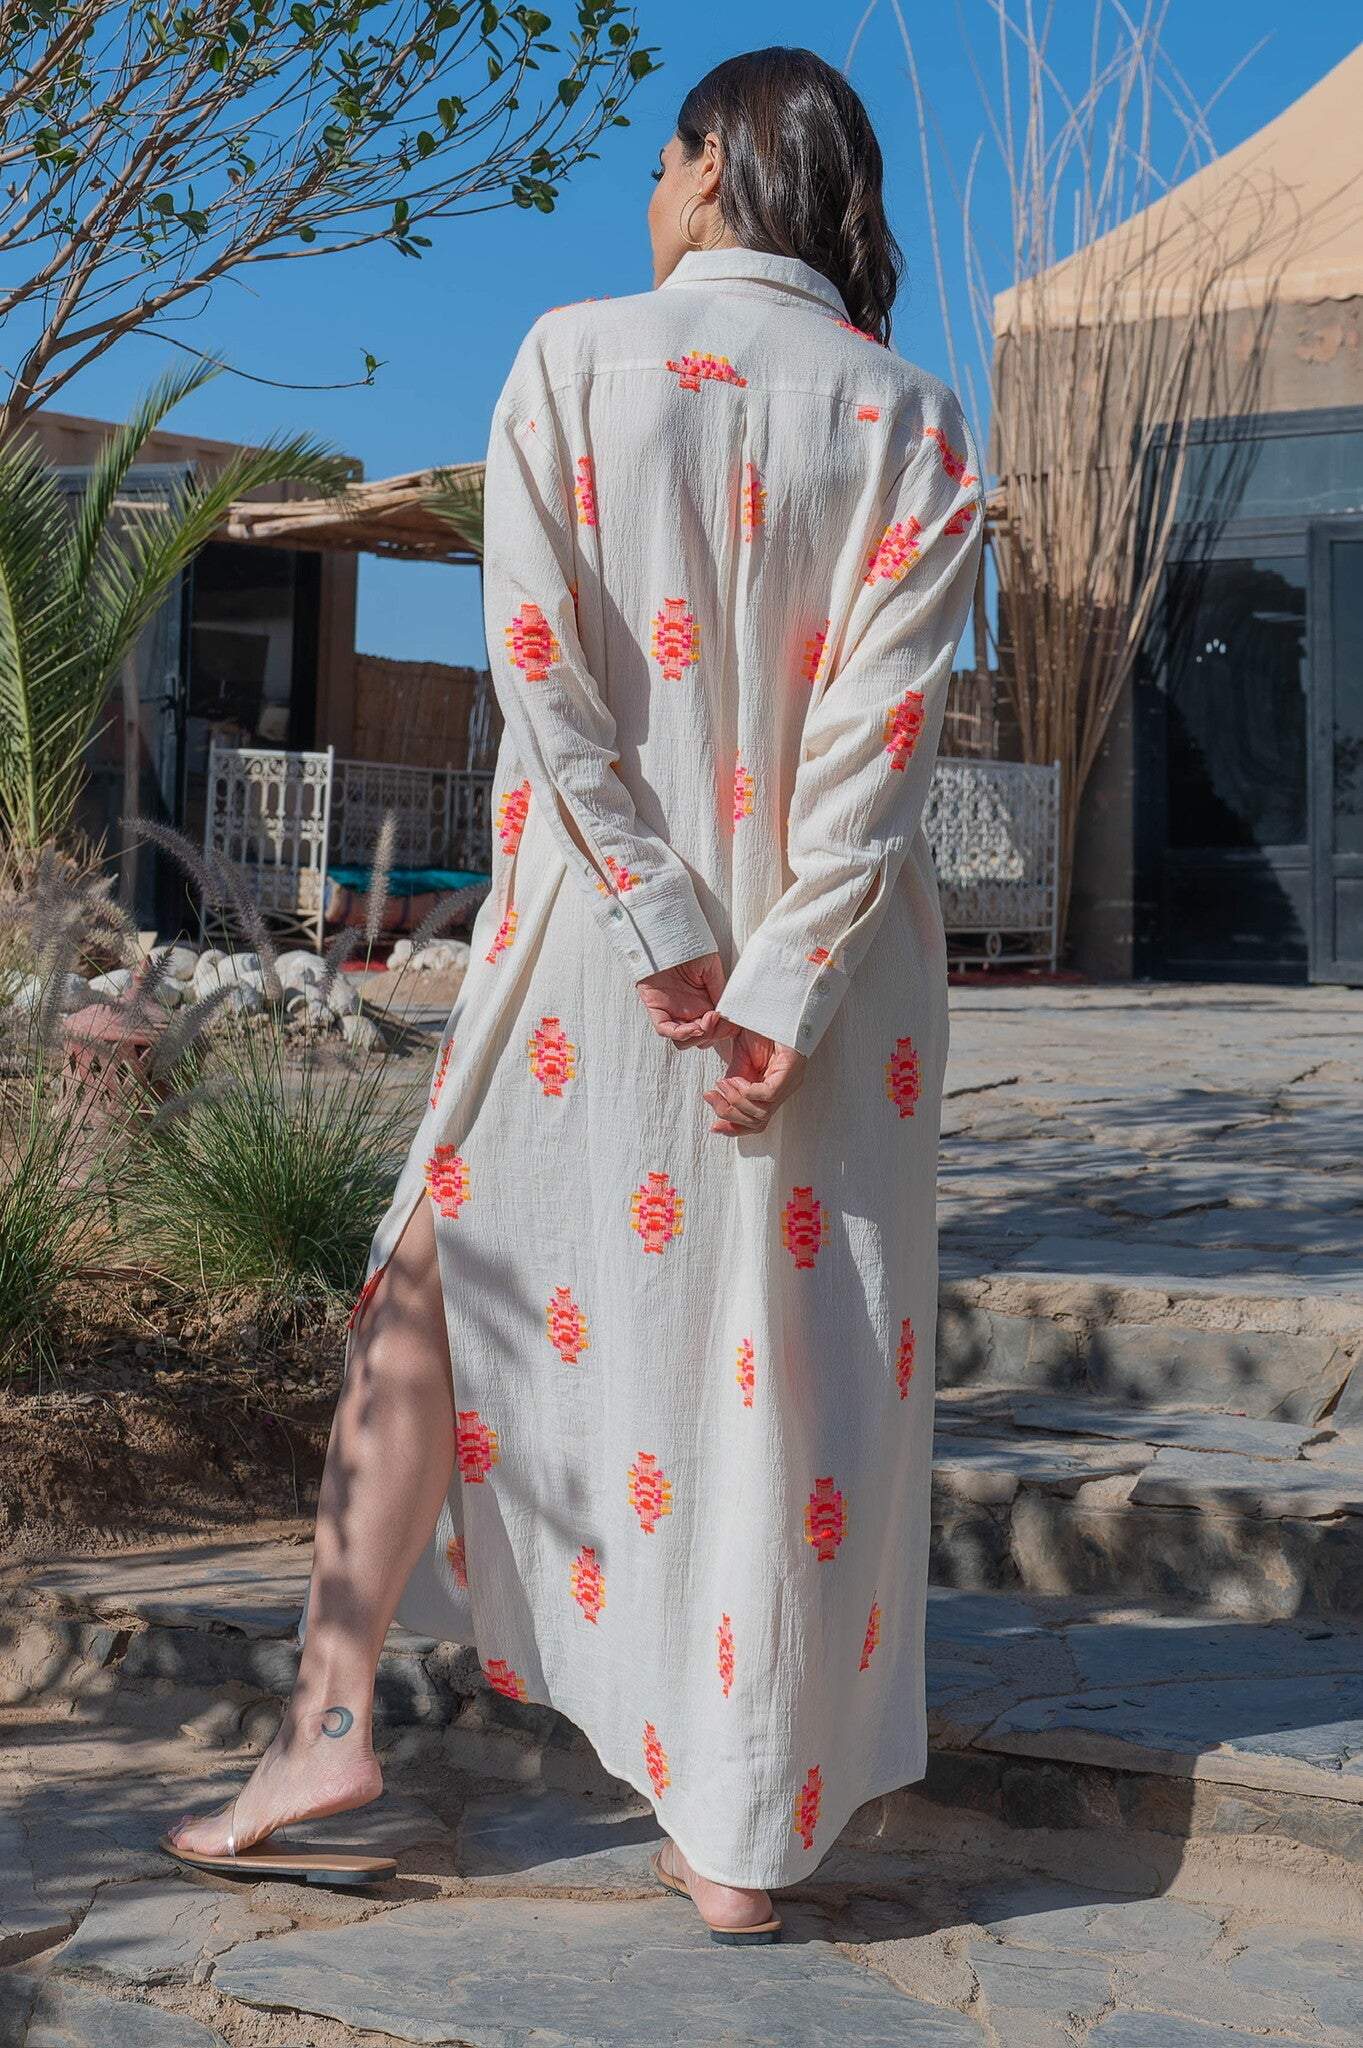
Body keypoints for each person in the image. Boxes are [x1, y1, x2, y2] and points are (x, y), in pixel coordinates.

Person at [165, 44, 982, 1944]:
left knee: (426, 1286)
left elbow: (540, 669)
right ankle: (738, 1831)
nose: (649, 196)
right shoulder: (916, 419)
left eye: (657, 163)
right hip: (833, 986)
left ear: (707, 168)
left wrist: (661, 924)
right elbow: (881, 747)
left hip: (600, 960)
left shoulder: (573, 359)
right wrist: (776, 979)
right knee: (783, 1352)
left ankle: (328, 1722)